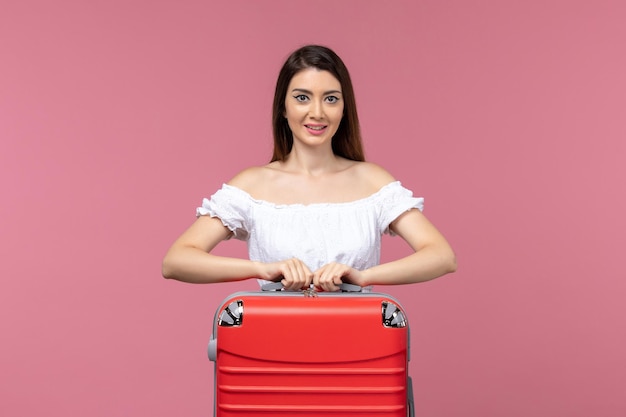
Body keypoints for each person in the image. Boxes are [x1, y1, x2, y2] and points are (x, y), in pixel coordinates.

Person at [162, 45, 456, 292]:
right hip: (273, 349)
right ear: (283, 107)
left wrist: (363, 277)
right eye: (302, 97)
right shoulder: (252, 185)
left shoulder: (372, 181)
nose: (317, 112)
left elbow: (442, 256)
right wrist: (264, 270)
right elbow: (176, 261)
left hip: (359, 348)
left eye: (330, 99)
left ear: (344, 108)